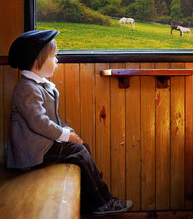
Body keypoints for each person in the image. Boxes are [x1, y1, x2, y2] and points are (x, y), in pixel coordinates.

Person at [7, 30, 133, 216]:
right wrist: (66, 136)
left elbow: (51, 119)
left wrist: (67, 130)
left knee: (82, 148)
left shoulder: (38, 85)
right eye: (53, 57)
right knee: (79, 152)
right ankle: (104, 202)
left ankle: (89, 202)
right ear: (36, 62)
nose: (57, 61)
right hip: (32, 152)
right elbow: (39, 123)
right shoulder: (27, 88)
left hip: (42, 145)